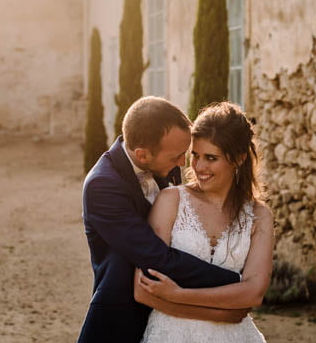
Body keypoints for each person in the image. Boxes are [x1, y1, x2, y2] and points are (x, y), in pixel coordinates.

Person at [78, 97, 249, 343]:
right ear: (142, 155)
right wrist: (235, 282)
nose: (183, 163)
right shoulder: (102, 186)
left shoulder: (164, 164)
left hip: (176, 313)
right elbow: (156, 257)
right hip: (123, 316)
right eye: (177, 157)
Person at [134, 101, 274, 343]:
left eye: (211, 158)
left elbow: (254, 293)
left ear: (239, 158)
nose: (199, 167)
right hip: (169, 335)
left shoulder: (260, 216)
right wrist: (224, 312)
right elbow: (143, 290)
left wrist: (177, 294)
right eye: (195, 156)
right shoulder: (171, 201)